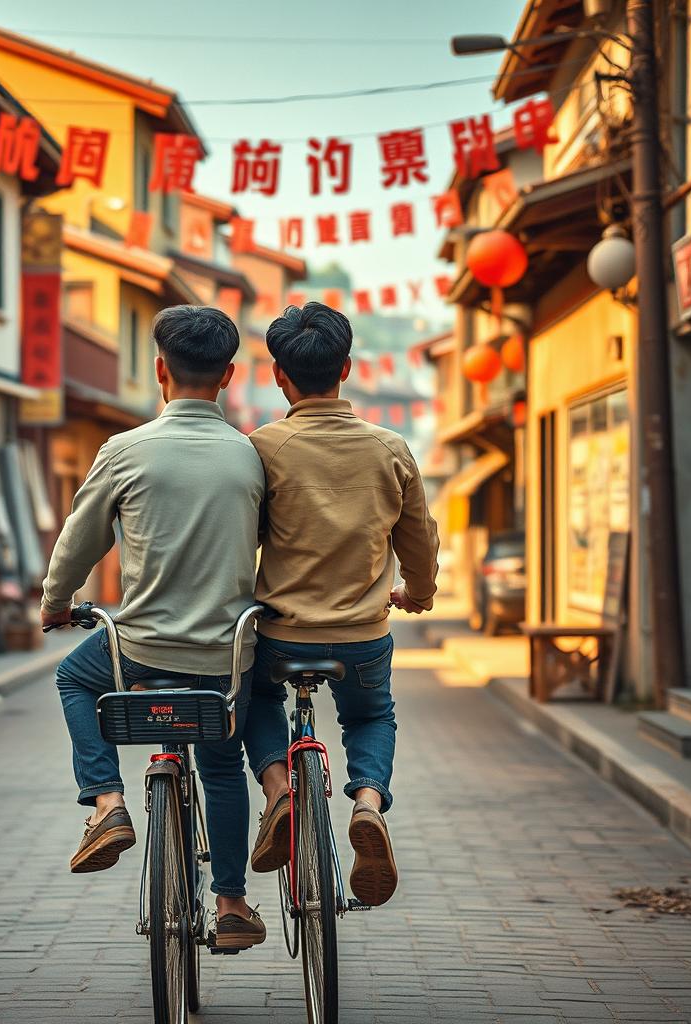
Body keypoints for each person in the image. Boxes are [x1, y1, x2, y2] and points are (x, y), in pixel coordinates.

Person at [41, 305, 268, 950]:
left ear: (161, 371)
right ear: (228, 375)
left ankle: (108, 802)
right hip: (226, 659)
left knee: (72, 676)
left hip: (136, 653)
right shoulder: (251, 459)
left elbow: (78, 544)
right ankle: (229, 901)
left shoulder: (124, 450)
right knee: (222, 769)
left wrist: (56, 603)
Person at [243, 302, 439, 907]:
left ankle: (279, 791)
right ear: (347, 367)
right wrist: (418, 594)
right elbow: (419, 540)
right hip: (362, 632)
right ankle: (368, 804)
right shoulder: (390, 448)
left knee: (252, 697)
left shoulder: (262, 448)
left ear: (279, 375)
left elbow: (238, 537)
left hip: (281, 633)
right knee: (370, 715)